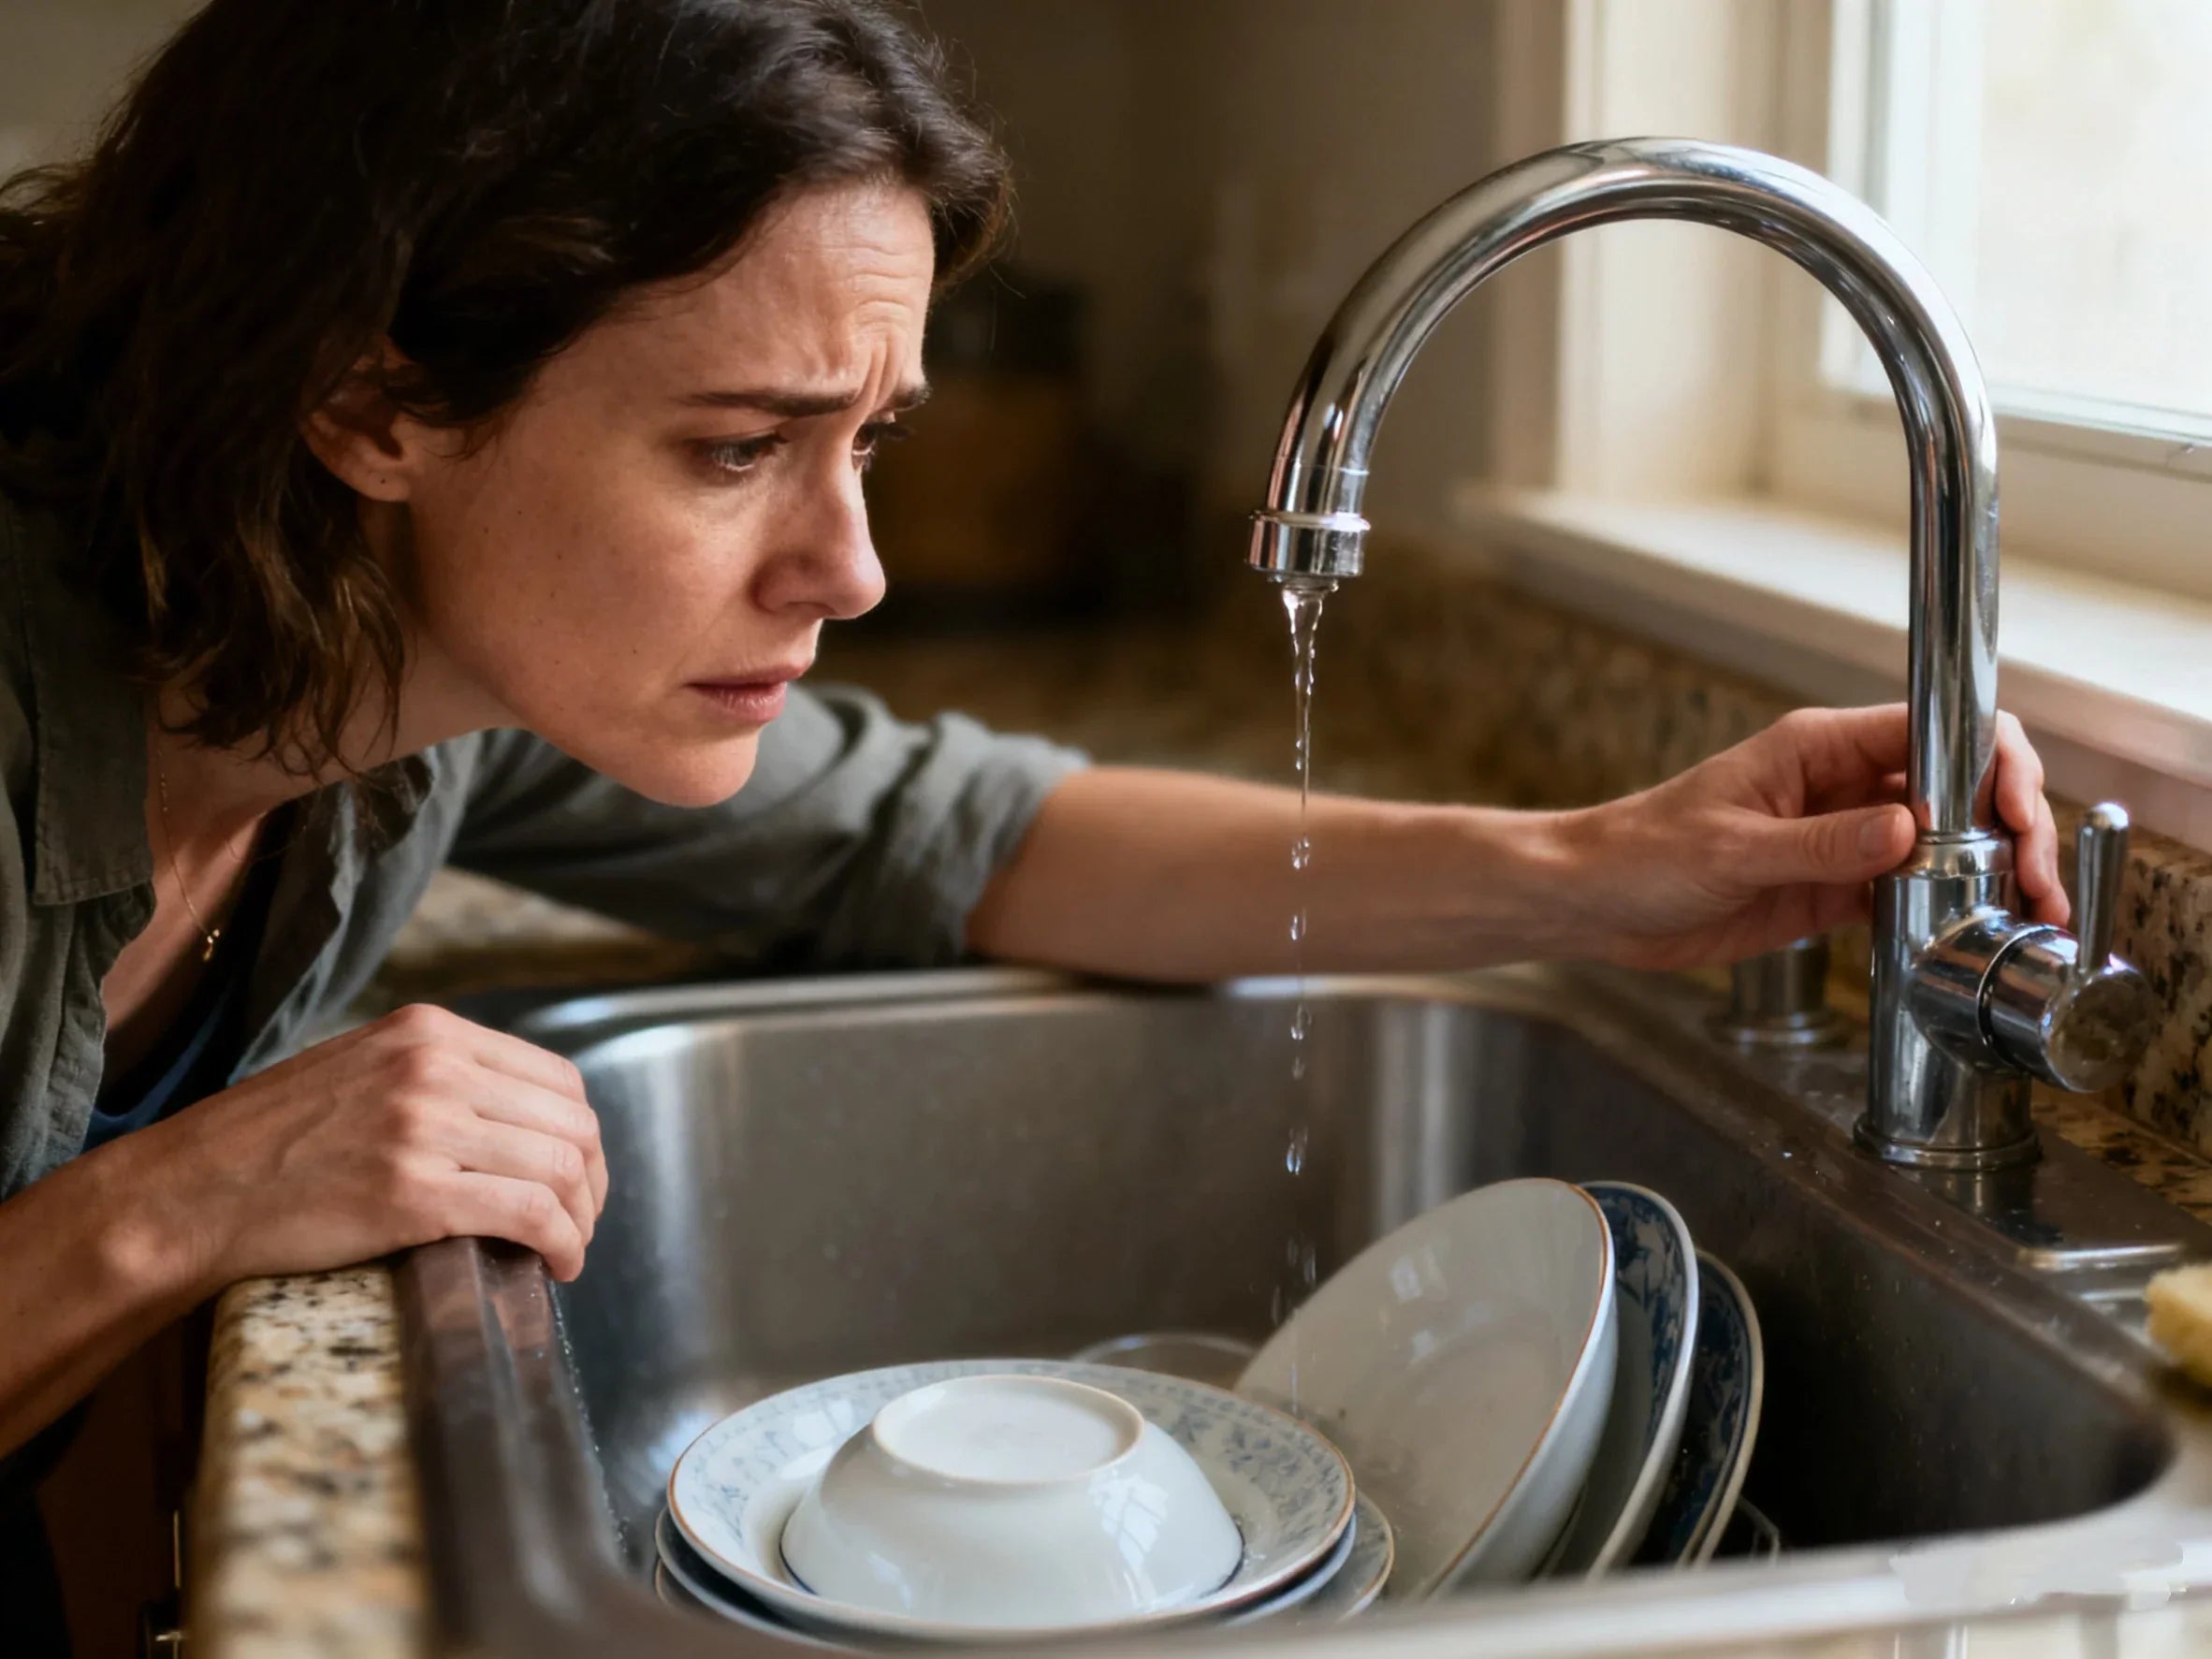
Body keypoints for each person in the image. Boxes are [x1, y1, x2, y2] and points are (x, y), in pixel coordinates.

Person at [0, 0, 2063, 1645]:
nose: (854, 561)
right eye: (738, 448)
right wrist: (172, 1205)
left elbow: (954, 836)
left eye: (869, 440)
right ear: (369, 406)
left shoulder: (415, 672)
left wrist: (1602, 866)